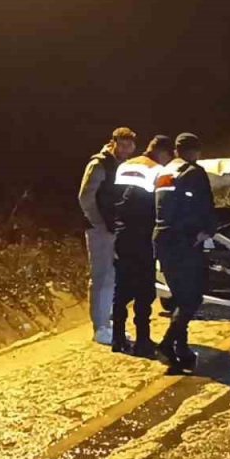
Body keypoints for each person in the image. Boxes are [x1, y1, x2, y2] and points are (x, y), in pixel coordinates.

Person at [154, 132, 216, 372]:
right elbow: (205, 206)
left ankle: (182, 349)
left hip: (162, 240)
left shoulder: (164, 172)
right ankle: (168, 344)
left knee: (180, 297)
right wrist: (207, 230)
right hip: (184, 241)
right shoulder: (194, 172)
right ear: (195, 151)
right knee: (193, 296)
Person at [109, 135, 173, 356]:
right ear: (162, 152)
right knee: (144, 291)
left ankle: (117, 338)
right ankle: (142, 341)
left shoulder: (126, 165)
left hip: (121, 234)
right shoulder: (157, 170)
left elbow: (114, 200)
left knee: (121, 287)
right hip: (143, 237)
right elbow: (161, 205)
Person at [78, 127, 136, 345]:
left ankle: (108, 324)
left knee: (112, 277)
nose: (125, 149)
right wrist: (100, 223)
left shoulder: (124, 165)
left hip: (115, 229)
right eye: (121, 144)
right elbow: (86, 197)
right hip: (100, 229)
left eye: (129, 145)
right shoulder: (99, 164)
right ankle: (100, 327)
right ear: (112, 143)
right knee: (101, 277)